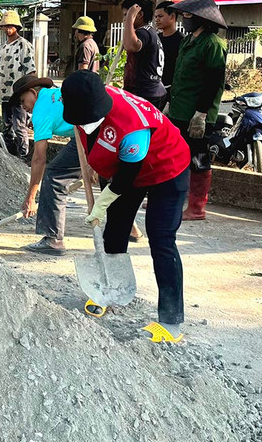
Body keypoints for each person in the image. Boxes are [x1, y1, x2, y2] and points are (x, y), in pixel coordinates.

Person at [62, 70, 191, 343]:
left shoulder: (132, 128)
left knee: (161, 238)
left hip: (167, 168)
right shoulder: (86, 99)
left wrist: (101, 203)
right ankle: (110, 289)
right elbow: (100, 147)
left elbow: (125, 179)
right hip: (128, 168)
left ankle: (170, 322)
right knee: (115, 229)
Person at [167, 0, 228, 221]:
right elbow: (179, 76)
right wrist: (169, 103)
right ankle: (170, 198)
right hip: (179, 109)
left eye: (188, 15)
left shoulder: (213, 44)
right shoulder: (188, 41)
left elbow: (214, 82)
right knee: (175, 156)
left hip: (197, 114)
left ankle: (196, 208)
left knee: (199, 159)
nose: (184, 20)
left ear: (202, 18)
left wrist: (201, 113)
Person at [14, 75, 80, 256]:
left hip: (89, 131)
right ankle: (130, 229)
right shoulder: (53, 94)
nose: (23, 107)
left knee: (54, 175)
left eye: (23, 101)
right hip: (96, 126)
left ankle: (53, 240)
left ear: (33, 92)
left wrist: (30, 197)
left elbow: (39, 158)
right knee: (110, 180)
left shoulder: (40, 111)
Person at [0, 10, 36, 157]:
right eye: (6, 26)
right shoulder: (3, 47)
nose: (8, 29)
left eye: (11, 26)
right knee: (7, 127)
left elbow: (31, 71)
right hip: (4, 94)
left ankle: (23, 155)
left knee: (19, 126)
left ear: (17, 27)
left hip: (18, 94)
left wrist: (30, 91)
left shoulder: (23, 45)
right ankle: (9, 155)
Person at [121, 0, 167, 109]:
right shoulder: (150, 32)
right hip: (152, 92)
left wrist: (130, 18)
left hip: (146, 94)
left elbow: (130, 45)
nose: (124, 19)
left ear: (140, 14)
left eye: (126, 14)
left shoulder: (143, 32)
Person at [154, 0, 184, 104]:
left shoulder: (182, 41)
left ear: (172, 16)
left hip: (173, 91)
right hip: (155, 89)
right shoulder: (156, 38)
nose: (157, 20)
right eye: (155, 17)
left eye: (160, 16)